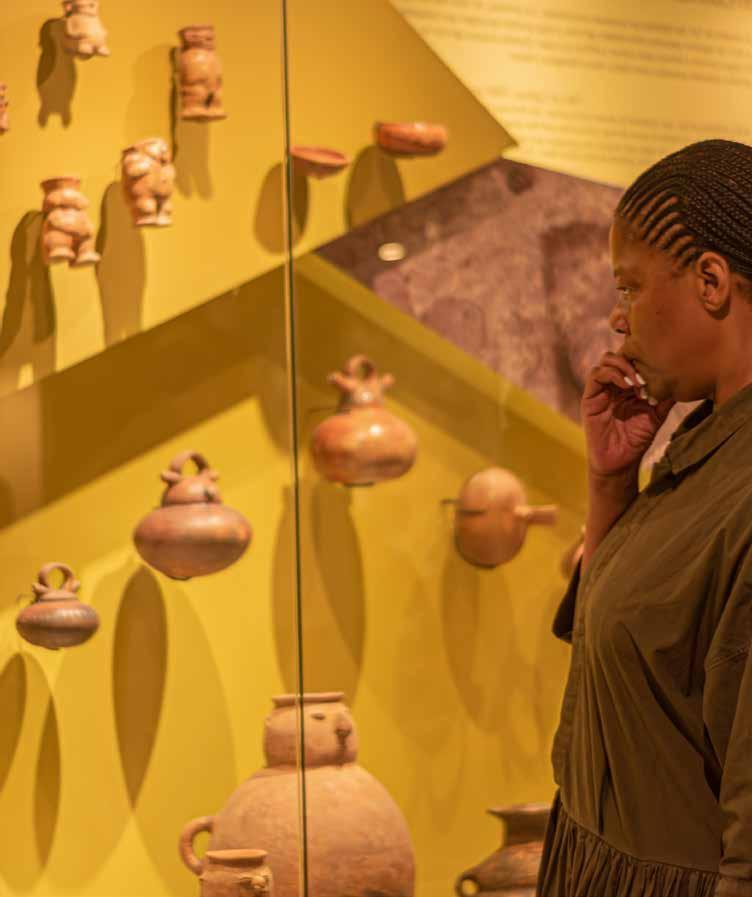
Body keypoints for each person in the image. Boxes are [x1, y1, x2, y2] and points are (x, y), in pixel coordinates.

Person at [537, 139, 752, 897]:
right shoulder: (701, 445)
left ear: (711, 282)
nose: (616, 317)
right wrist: (610, 485)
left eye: (629, 286)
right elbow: (618, 648)